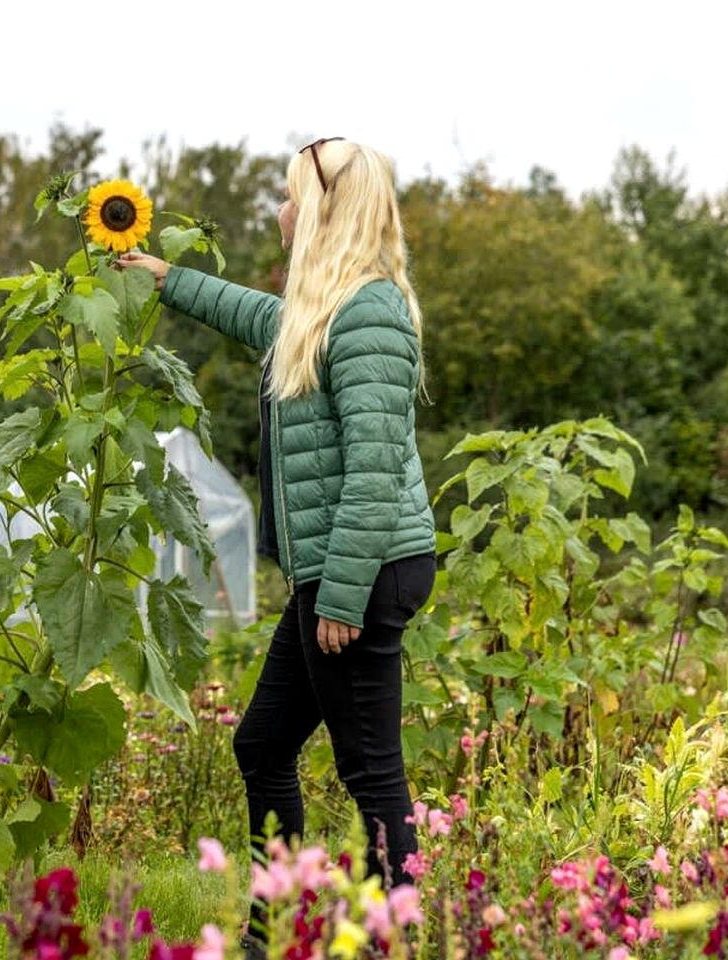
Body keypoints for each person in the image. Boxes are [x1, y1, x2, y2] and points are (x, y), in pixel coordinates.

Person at [118, 138, 437, 919]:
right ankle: (281, 926)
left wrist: (342, 597)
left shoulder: (370, 316)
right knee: (262, 748)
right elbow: (258, 314)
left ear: (326, 211)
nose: (281, 211)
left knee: (372, 774)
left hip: (360, 571)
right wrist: (169, 280)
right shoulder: (323, 311)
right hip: (334, 571)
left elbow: (373, 467)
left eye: (293, 197)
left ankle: (400, 932)